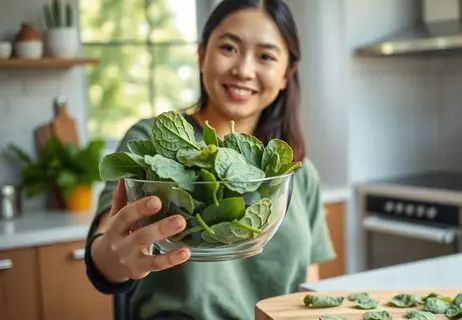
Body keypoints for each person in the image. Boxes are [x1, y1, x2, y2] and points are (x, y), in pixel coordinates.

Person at [84, 0, 335, 319]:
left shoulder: (293, 169)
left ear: (287, 73)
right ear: (202, 55)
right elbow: (108, 244)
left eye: (266, 56)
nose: (243, 70)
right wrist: (113, 258)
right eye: (229, 48)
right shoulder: (151, 141)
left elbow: (307, 285)